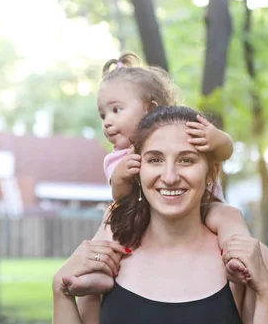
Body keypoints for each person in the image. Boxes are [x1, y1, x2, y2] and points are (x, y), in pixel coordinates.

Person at [52, 106, 268, 324]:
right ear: (137, 171)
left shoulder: (247, 259)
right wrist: (60, 291)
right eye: (155, 159)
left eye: (186, 160)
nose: (169, 176)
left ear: (211, 173)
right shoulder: (111, 254)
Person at [62, 53, 250, 296]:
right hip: (145, 216)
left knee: (229, 215)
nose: (108, 121)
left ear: (151, 109)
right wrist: (120, 177)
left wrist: (219, 139)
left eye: (117, 110)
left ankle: (239, 256)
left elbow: (225, 152)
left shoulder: (186, 131)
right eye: (103, 114)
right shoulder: (117, 157)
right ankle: (98, 274)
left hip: (205, 206)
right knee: (110, 221)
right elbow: (121, 196)